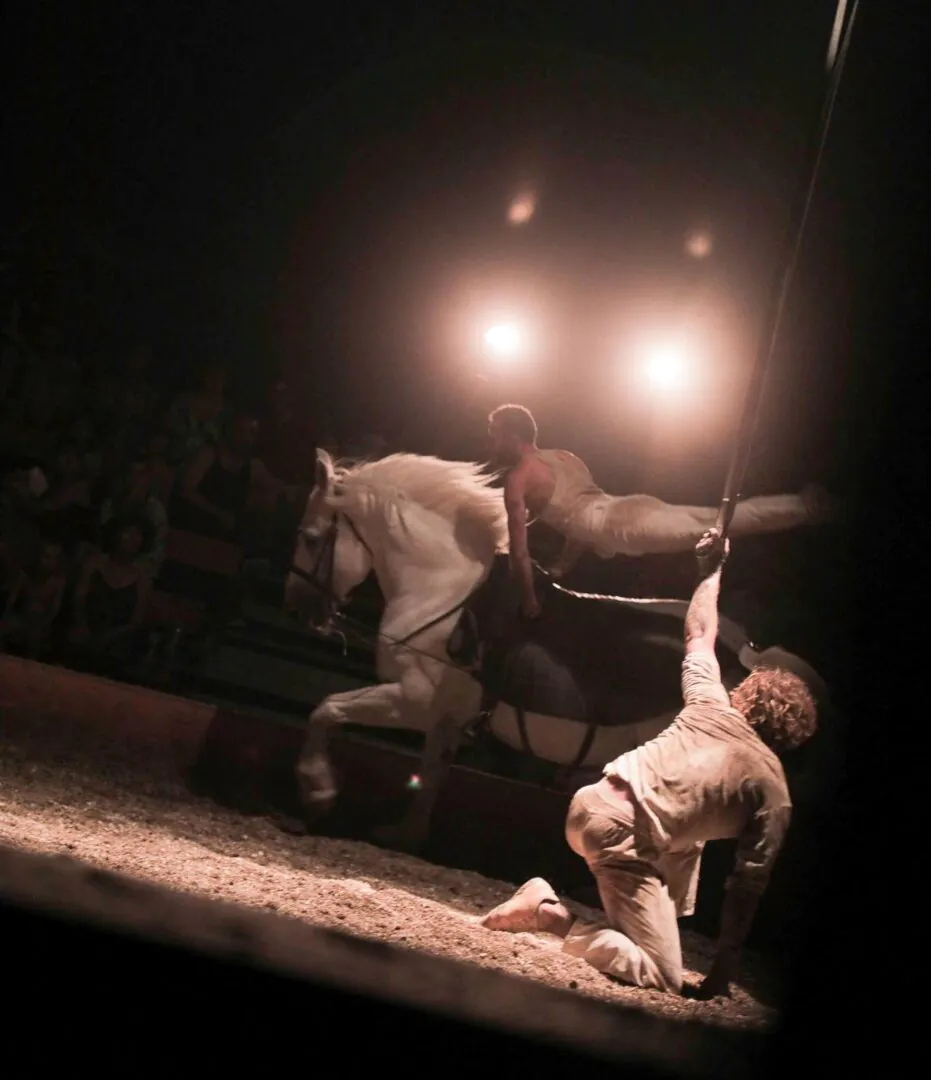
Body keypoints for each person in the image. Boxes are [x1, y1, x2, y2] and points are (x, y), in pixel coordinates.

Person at [480, 527, 818, 999]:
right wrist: (725, 964)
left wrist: (711, 571)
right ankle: (547, 913)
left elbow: (700, 632)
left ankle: (659, 916)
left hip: (589, 802)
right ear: (794, 735)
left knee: (689, 838)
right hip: (622, 836)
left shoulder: (710, 702)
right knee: (662, 976)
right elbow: (747, 887)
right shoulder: (773, 789)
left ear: (749, 698)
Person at [487, 403, 833, 618]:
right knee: (710, 519)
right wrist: (563, 566)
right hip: (625, 508)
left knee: (715, 525)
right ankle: (801, 506)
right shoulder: (564, 455)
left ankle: (804, 507)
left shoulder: (518, 480)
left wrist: (529, 601)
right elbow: (578, 519)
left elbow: (520, 552)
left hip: (618, 524)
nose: (493, 442)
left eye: (495, 434)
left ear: (509, 434)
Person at [173, 409, 300, 542]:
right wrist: (216, 513)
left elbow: (275, 485)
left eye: (252, 433)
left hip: (232, 531)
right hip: (198, 523)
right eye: (242, 432)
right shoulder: (208, 454)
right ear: (230, 431)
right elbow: (185, 491)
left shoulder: (252, 465)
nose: (247, 439)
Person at [67, 514, 154, 670]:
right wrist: (82, 625)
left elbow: (136, 620)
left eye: (138, 534)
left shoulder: (142, 576)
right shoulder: (93, 563)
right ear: (116, 533)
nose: (132, 538)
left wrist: (107, 638)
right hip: (87, 627)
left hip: (118, 638)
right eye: (128, 532)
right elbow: (78, 599)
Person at [0, 536, 66, 657]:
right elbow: (11, 602)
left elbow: (54, 610)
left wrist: (43, 623)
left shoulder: (58, 581)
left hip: (41, 623)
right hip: (21, 617)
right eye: (45, 556)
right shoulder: (24, 576)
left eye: (52, 558)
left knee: (35, 635)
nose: (45, 561)